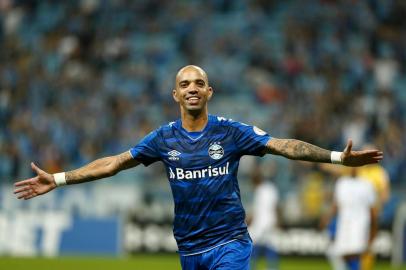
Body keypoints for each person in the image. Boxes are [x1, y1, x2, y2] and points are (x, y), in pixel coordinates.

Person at [14, 65, 383, 270]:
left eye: (199, 83)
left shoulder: (231, 132)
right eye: (184, 84)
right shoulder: (162, 139)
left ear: (209, 92)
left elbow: (284, 146)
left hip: (231, 244)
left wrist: (336, 158)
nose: (192, 88)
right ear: (175, 94)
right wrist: (59, 178)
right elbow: (113, 163)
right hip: (189, 249)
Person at [326, 168, 377, 270]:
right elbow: (336, 205)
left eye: (356, 165)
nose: (353, 168)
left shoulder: (367, 184)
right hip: (344, 224)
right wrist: (327, 218)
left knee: (355, 253)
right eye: (351, 165)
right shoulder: (341, 183)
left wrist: (373, 229)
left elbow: (372, 209)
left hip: (360, 224)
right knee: (337, 253)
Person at [248, 162, 280, 270]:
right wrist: (277, 220)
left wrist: (250, 220)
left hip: (261, 222)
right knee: (270, 245)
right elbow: (276, 207)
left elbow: (258, 210)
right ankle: (272, 268)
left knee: (251, 243)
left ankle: (252, 266)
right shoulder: (271, 188)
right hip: (271, 221)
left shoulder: (259, 190)